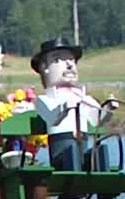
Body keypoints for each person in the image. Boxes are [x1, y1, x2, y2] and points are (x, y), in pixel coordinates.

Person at [31, 37, 120, 172]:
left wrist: (108, 109)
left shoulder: (83, 97)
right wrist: (64, 108)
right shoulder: (45, 99)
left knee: (99, 152)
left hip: (82, 148)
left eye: (72, 60)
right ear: (45, 68)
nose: (69, 65)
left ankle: (106, 188)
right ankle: (74, 189)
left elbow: (96, 120)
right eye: (57, 60)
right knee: (71, 153)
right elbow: (51, 117)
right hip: (61, 152)